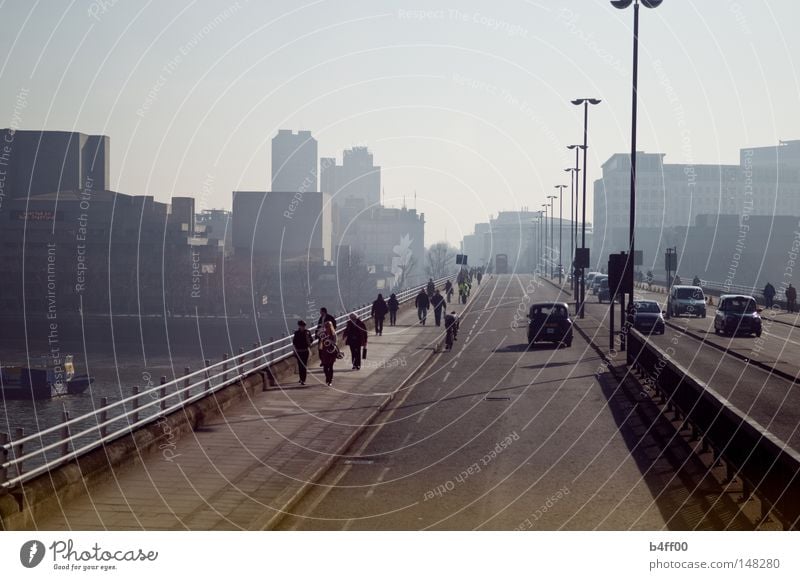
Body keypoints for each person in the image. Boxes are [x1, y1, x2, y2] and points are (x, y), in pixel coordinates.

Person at [292, 320, 313, 385]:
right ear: (299, 326)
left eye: (304, 326)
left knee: (304, 365)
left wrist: (307, 338)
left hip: (305, 351)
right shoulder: (297, 333)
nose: (303, 327)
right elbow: (294, 342)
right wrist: (294, 351)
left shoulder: (307, 332)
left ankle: (303, 379)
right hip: (299, 351)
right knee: (300, 365)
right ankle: (301, 378)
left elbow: (311, 340)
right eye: (302, 326)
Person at [318, 320, 339, 386]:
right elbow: (320, 344)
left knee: (330, 366)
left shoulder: (334, 334)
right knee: (325, 367)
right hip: (325, 352)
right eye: (326, 326)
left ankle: (330, 380)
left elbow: (335, 342)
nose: (327, 328)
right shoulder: (323, 334)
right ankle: (327, 377)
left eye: (328, 326)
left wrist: (330, 341)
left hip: (331, 351)